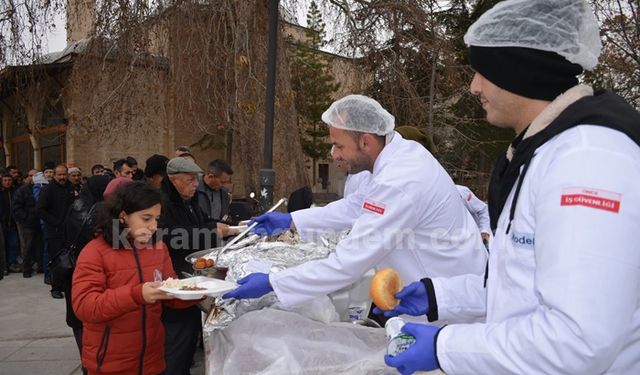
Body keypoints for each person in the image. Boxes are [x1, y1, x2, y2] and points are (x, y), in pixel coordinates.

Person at [380, 1, 640, 374]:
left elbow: (577, 341)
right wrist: (438, 295)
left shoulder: (587, 161)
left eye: (482, 72)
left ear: (518, 71)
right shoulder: (542, 150)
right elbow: (522, 284)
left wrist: (445, 347)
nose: (473, 88)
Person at [224, 95, 487, 313]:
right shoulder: (399, 156)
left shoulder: (399, 180)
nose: (333, 154)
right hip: (437, 289)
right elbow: (356, 206)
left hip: (449, 305)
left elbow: (347, 264)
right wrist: (292, 220)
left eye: (338, 146)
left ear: (365, 141)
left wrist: (274, 282)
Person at [72, 181, 199, 374]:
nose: (154, 227)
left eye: (157, 219)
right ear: (123, 216)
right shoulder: (95, 252)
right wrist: (135, 295)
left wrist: (198, 291)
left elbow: (170, 294)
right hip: (110, 363)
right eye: (146, 219)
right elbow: (85, 306)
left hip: (152, 360)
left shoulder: (158, 248)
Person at [159, 157, 230, 375]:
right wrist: (211, 233)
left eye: (195, 179)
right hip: (174, 278)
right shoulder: (164, 204)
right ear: (173, 180)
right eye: (190, 180)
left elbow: (201, 222)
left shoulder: (189, 201)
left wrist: (219, 226)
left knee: (189, 334)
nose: (195, 184)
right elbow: (170, 236)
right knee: (178, 337)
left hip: (192, 275)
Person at [63, 175, 110, 365]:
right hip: (83, 270)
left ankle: (87, 359)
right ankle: (88, 361)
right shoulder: (94, 210)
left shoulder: (78, 204)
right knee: (83, 318)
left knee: (78, 319)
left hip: (73, 269)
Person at [37, 164, 75, 298]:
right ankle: (56, 288)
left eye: (64, 174)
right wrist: (56, 223)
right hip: (54, 231)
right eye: (59, 175)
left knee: (69, 260)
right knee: (57, 260)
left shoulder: (71, 187)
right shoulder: (48, 190)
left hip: (69, 231)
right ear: (54, 175)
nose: (62, 177)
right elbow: (41, 210)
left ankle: (67, 285)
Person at [11, 169, 43, 277]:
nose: (32, 178)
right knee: (27, 247)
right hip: (27, 223)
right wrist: (26, 217)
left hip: (40, 222)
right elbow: (16, 207)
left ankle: (40, 266)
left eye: (35, 175)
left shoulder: (43, 188)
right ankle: (27, 269)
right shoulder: (22, 190)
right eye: (30, 175)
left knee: (39, 245)